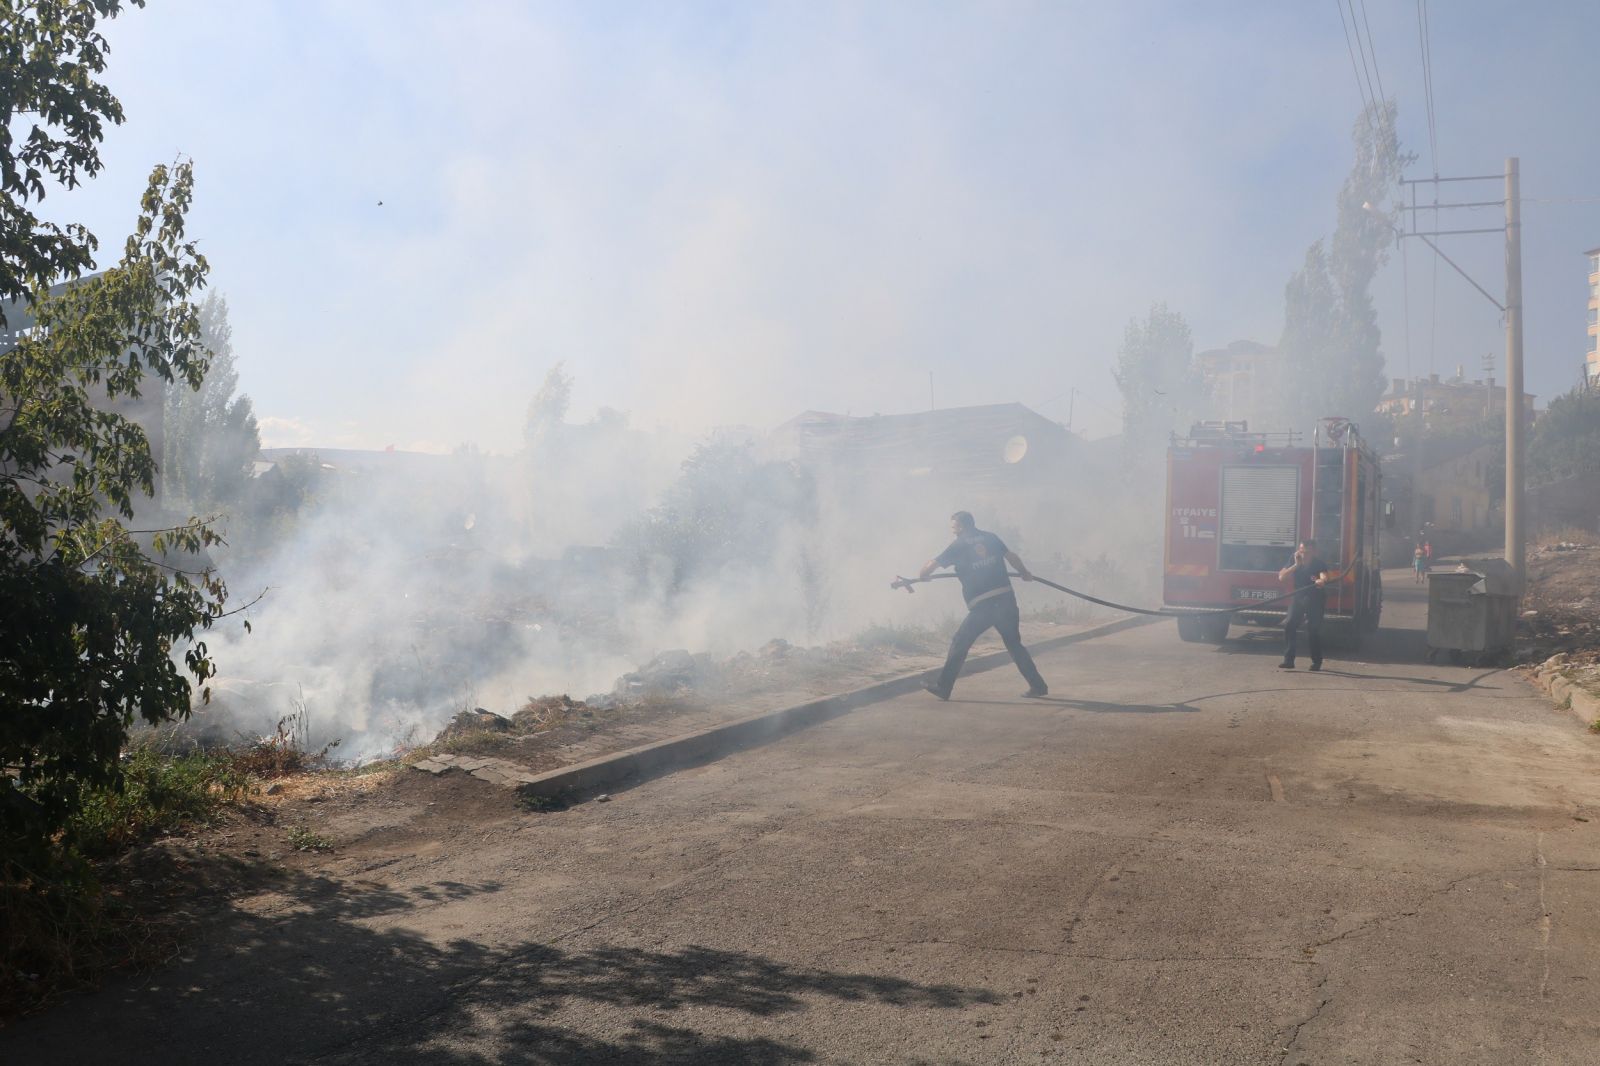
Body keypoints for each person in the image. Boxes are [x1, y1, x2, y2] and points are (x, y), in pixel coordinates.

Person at [918, 511, 1048, 700]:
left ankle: (943, 687)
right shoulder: (990, 537)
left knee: (960, 642)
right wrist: (1024, 572)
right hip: (1006, 599)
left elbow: (932, 565)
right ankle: (1038, 686)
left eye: (953, 527)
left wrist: (923, 575)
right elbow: (1011, 556)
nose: (952, 531)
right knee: (1014, 644)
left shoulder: (958, 545)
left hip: (984, 605)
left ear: (961, 526)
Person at [1276, 539, 1333, 671]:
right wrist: (1296, 565)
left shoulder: (1319, 564)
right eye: (1301, 551)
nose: (1303, 554)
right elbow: (1281, 577)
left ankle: (1316, 662)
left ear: (1314, 552)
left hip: (1315, 599)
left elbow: (1324, 576)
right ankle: (1288, 660)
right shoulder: (1294, 559)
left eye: (1307, 552)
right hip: (1299, 597)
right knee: (1289, 624)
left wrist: (1321, 580)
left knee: (1313, 630)